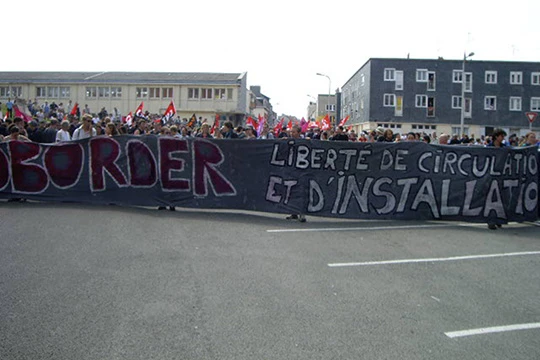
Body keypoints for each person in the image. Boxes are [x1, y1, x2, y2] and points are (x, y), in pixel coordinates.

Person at [486, 128, 507, 230]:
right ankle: (491, 220)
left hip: (501, 175)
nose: (503, 138)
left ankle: (499, 219)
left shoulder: (504, 147)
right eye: (502, 136)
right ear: (496, 136)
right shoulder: (488, 147)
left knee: (501, 198)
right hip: (490, 176)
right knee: (490, 198)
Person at [285, 125, 306, 223]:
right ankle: (294, 213)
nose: (291, 134)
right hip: (292, 170)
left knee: (301, 192)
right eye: (291, 132)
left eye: (293, 132)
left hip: (302, 170)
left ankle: (302, 214)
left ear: (299, 133)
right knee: (292, 191)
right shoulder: (289, 141)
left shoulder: (305, 143)